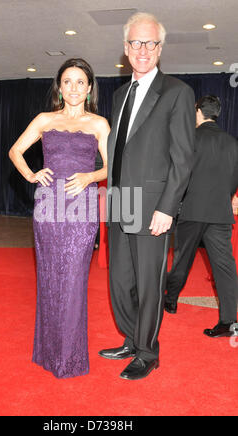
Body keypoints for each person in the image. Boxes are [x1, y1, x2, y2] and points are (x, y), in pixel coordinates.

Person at [98, 12, 195, 380]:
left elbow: (183, 158)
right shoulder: (121, 93)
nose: (143, 49)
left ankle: (147, 351)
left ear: (160, 47)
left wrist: (167, 208)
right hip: (120, 202)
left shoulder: (177, 93)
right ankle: (129, 337)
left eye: (150, 43)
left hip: (153, 206)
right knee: (120, 280)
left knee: (151, 283)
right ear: (125, 48)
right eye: (136, 42)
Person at [9, 58, 109, 378]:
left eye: (81, 82)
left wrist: (90, 177)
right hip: (48, 211)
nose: (74, 88)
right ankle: (48, 352)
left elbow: (114, 166)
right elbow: (15, 151)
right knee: (50, 280)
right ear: (59, 87)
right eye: (68, 81)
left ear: (89, 88)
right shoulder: (44, 119)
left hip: (82, 211)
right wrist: (31, 174)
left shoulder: (99, 124)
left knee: (74, 282)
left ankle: (70, 357)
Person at [165, 95, 238, 338]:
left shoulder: (191, 139)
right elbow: (233, 181)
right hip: (220, 212)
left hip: (193, 210)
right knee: (225, 267)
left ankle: (171, 300)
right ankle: (228, 321)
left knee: (182, 260)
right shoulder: (232, 142)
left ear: (198, 111)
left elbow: (180, 176)